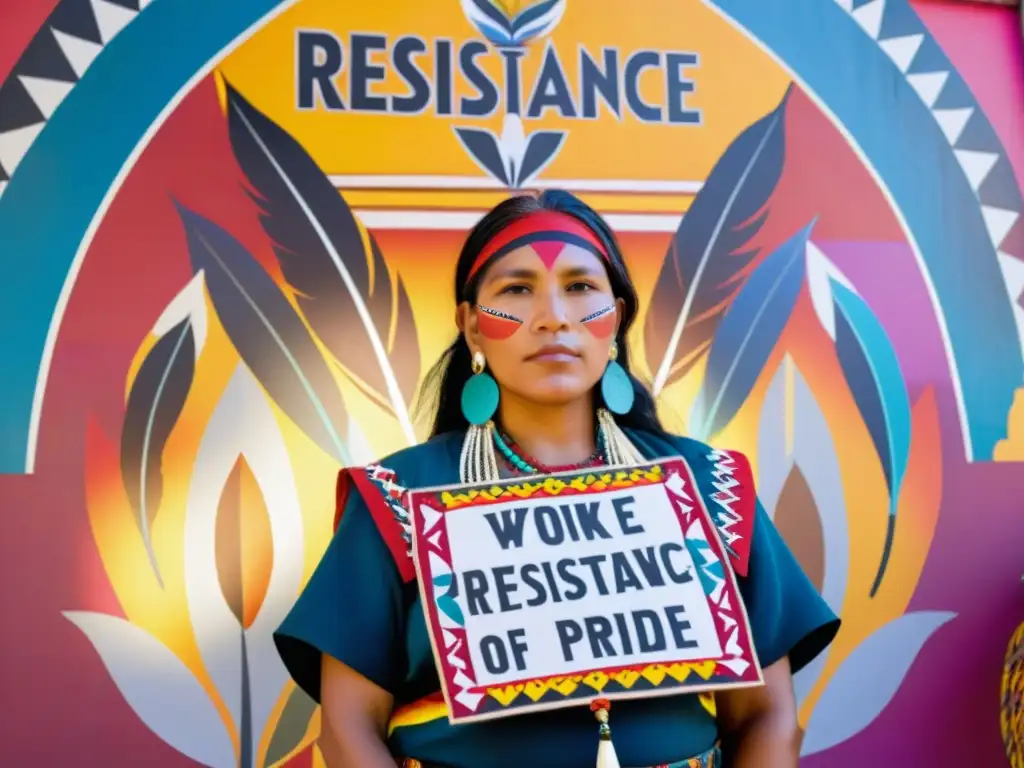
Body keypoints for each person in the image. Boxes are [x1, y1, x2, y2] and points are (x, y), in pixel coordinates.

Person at [274, 190, 840, 768]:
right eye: (516, 290)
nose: (553, 317)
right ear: (471, 325)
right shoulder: (397, 498)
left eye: (580, 288)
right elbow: (347, 731)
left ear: (615, 318)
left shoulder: (710, 487)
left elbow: (766, 718)